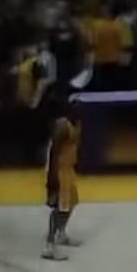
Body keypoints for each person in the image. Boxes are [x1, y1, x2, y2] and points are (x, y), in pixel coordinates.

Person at [42, 97, 82, 261]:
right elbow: (53, 151)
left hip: (69, 168)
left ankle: (61, 234)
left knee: (71, 203)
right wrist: (52, 176)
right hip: (58, 170)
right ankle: (49, 246)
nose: (78, 109)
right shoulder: (62, 125)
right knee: (59, 208)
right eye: (75, 106)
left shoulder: (77, 123)